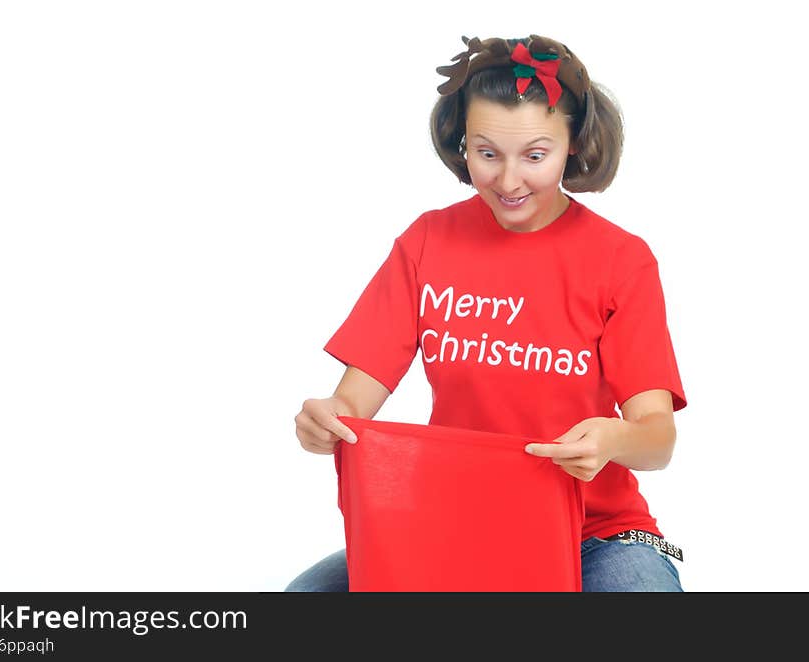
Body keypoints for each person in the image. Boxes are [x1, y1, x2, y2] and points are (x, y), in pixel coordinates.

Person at [288, 34, 687, 592]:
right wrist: (325, 420)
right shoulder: (428, 242)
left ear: (574, 142)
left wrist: (612, 441)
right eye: (487, 153)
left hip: (595, 537)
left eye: (535, 155)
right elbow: (353, 401)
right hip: (451, 524)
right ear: (462, 143)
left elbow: (657, 438)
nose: (508, 180)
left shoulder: (622, 261)